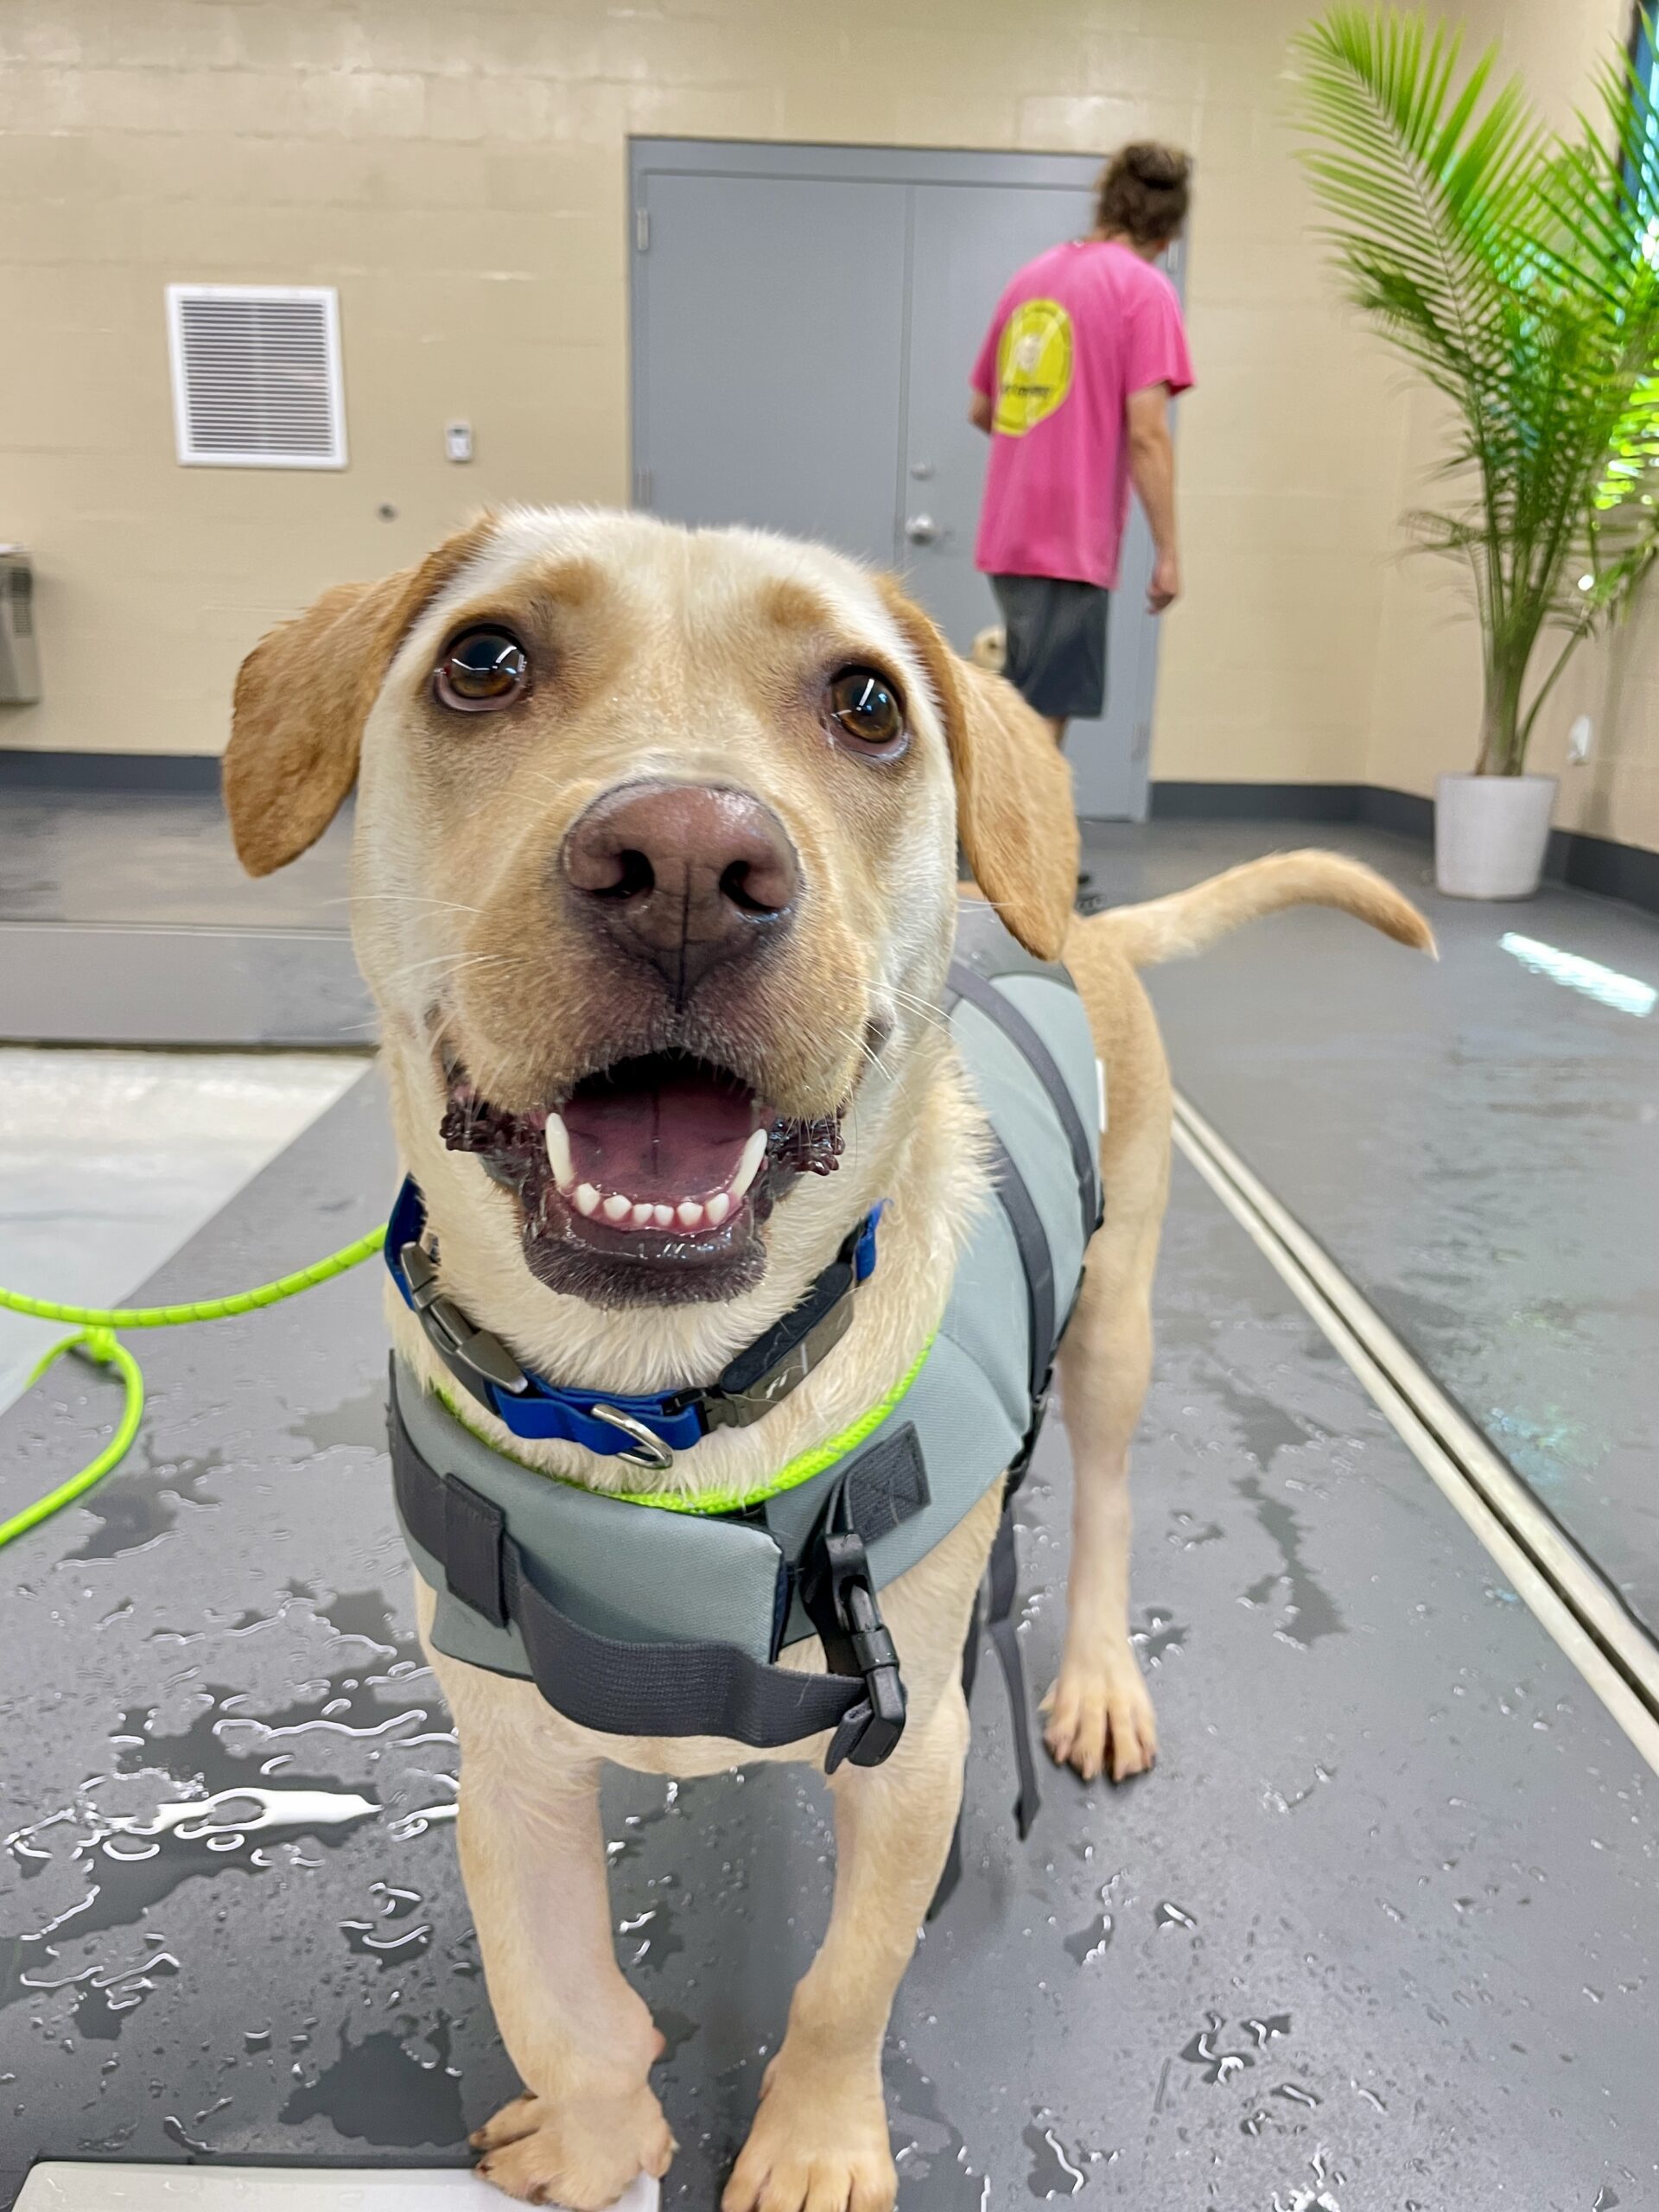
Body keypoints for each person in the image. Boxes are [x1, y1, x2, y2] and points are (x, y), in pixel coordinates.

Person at [969, 143, 1194, 760]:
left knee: (1024, 702)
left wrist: (1044, 443)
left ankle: (1013, 855)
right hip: (1068, 536)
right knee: (1041, 720)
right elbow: (1147, 432)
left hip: (1010, 533)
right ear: (1169, 230)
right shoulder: (1143, 290)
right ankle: (1027, 859)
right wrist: (1169, 552)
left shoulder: (1033, 276)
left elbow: (984, 409)